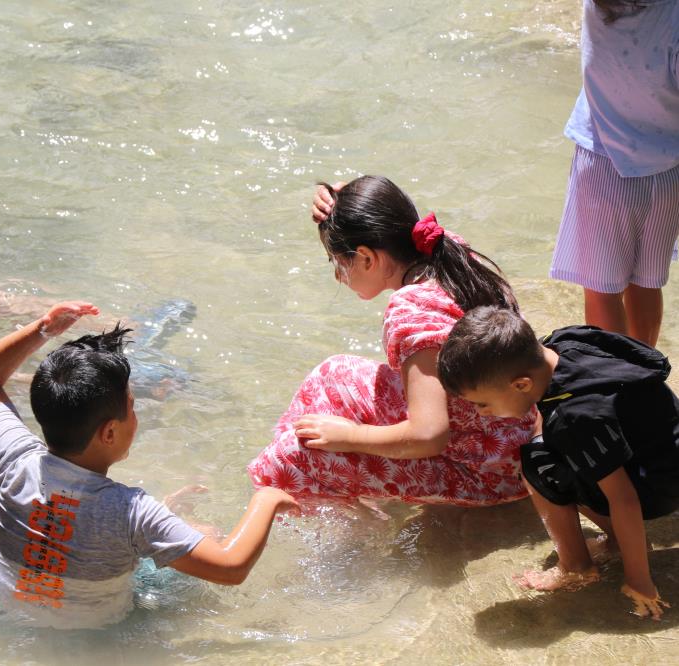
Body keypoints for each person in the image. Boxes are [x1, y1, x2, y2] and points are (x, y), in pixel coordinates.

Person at [0, 301, 298, 628]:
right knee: (205, 535)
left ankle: (167, 527)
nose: (136, 417)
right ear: (109, 431)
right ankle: (170, 527)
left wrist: (42, 329)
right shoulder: (131, 511)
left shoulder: (14, 460)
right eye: (133, 407)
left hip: (3, 611)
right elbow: (230, 568)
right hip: (94, 634)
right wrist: (265, 499)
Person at [248, 176, 536, 505]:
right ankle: (334, 490)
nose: (337, 275)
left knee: (291, 455)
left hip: (490, 474)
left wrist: (351, 437)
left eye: (337, 262)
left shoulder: (410, 312)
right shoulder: (450, 252)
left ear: (367, 258)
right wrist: (346, 200)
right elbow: (389, 216)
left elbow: (429, 434)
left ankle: (352, 527)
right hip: (512, 434)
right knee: (333, 373)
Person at [437, 306, 679, 620]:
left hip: (663, 484)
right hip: (664, 452)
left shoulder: (576, 418)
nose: (480, 413)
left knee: (537, 466)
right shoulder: (564, 343)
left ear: (522, 384)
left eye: (481, 404)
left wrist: (640, 582)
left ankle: (578, 567)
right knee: (547, 447)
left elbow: (625, 500)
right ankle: (615, 543)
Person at [548, 0, 679, 346]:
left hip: (604, 166)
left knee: (602, 291)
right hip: (668, 173)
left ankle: (619, 386)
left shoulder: (597, 7)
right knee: (647, 283)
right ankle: (646, 379)